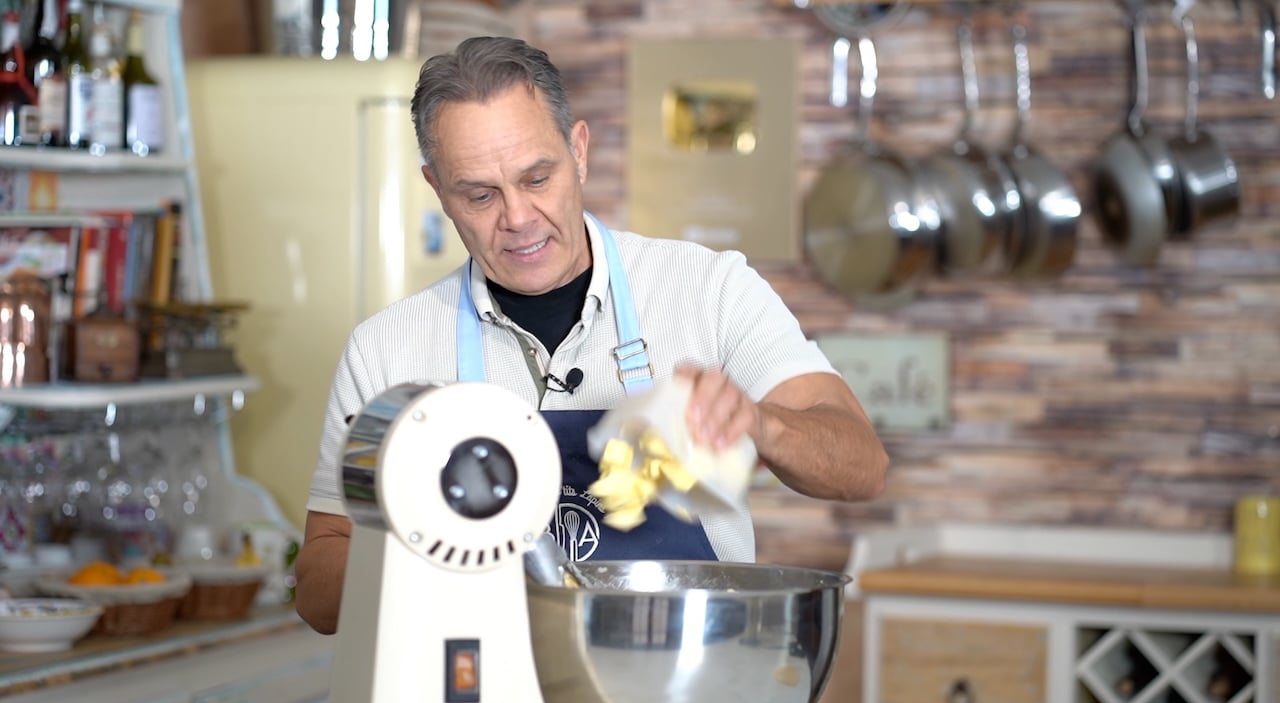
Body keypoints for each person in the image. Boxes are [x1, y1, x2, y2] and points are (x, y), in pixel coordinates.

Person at [294, 36, 888, 635]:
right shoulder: (385, 350)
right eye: (479, 194)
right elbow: (317, 592)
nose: (518, 218)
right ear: (437, 189)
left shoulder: (709, 290)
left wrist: (762, 425)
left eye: (537, 178)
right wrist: (430, 532)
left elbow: (862, 465)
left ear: (578, 151)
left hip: (681, 685)